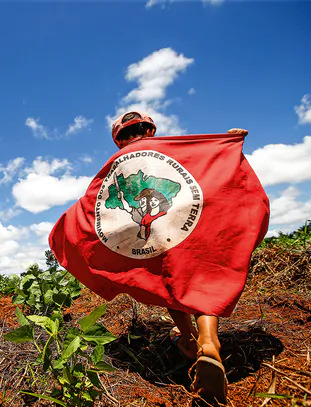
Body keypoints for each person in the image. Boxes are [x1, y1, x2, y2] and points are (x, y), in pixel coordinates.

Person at [111, 111, 250, 405]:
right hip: (186, 224)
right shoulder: (171, 152)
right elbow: (206, 170)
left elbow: (102, 207)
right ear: (150, 130)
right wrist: (226, 147)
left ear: (118, 139)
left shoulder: (119, 167)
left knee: (166, 280)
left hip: (154, 235)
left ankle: (187, 338)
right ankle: (209, 341)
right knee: (199, 276)